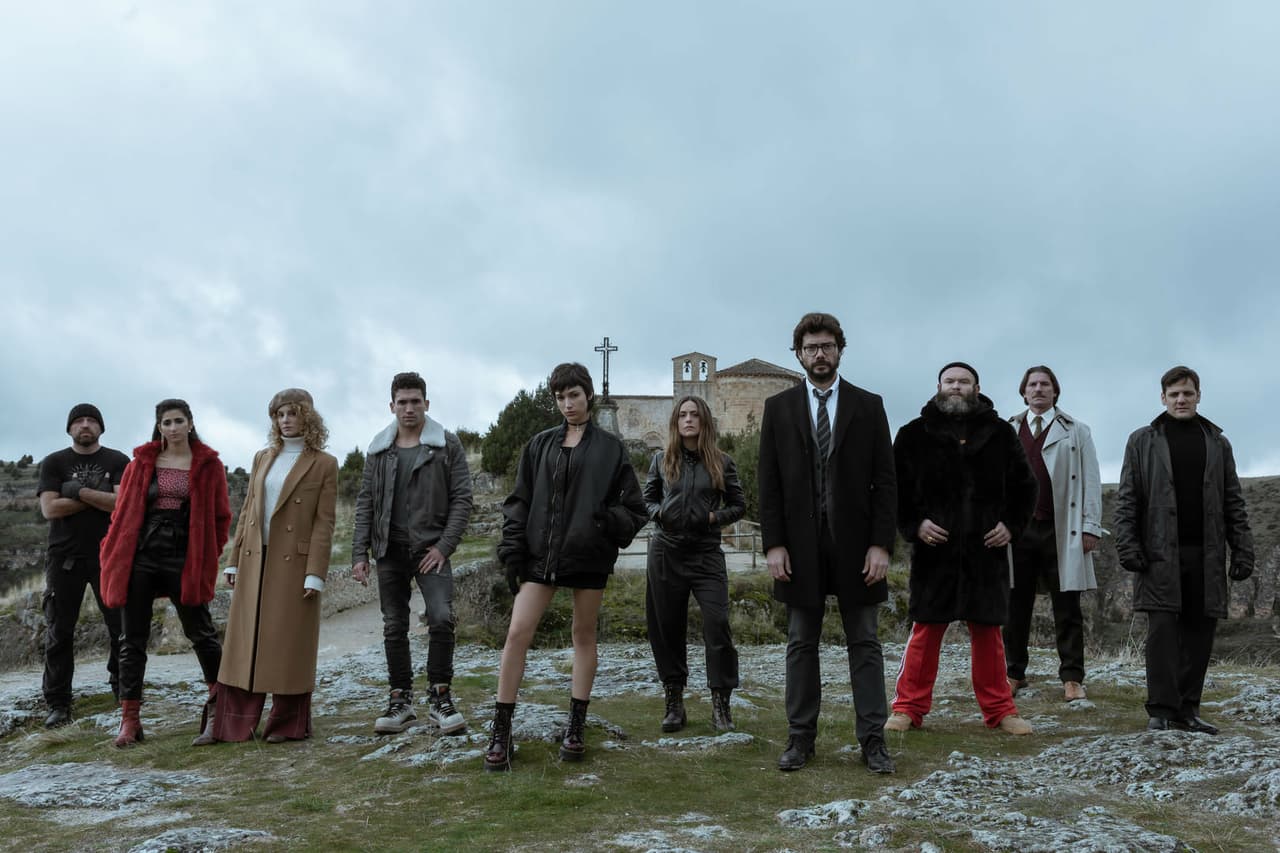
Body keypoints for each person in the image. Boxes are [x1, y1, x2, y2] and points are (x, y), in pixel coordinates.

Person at [485, 362, 647, 771]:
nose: (567, 403)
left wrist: (604, 523)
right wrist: (512, 551)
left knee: (583, 634)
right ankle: (501, 732)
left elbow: (634, 508)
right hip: (540, 557)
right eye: (560, 397)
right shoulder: (538, 445)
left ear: (588, 394)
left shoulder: (611, 449)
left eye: (574, 395)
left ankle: (575, 727)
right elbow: (519, 502)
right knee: (517, 633)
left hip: (588, 556)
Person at [758, 312, 898, 774]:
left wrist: (881, 545)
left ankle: (873, 741)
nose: (819, 354)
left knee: (866, 642)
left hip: (858, 546)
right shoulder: (778, 408)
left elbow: (886, 481)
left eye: (827, 346)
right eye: (811, 347)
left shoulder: (869, 405)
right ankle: (800, 738)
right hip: (799, 547)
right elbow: (769, 484)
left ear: (840, 350)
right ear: (798, 354)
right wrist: (774, 545)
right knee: (801, 642)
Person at [888, 362, 1037, 736]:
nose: (956, 386)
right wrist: (916, 524)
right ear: (939, 386)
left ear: (976, 388)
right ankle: (907, 708)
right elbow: (894, 490)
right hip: (933, 553)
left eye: (964, 382)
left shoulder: (1001, 434)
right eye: (950, 381)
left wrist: (1010, 525)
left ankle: (1001, 710)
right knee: (925, 633)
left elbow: (1026, 487)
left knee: (988, 636)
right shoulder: (913, 434)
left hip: (985, 552)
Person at [1113, 366, 1254, 734]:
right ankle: (1160, 710)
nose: (1181, 400)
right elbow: (1127, 499)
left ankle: (1187, 710)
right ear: (1163, 398)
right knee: (1161, 634)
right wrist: (1128, 545)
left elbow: (1233, 500)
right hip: (1158, 555)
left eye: (1187, 393)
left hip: (1206, 555)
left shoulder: (1218, 443)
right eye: (1174, 394)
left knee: (1199, 633)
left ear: (1198, 396)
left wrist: (1243, 549)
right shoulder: (1142, 440)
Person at [201, 389, 338, 744]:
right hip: (254, 560)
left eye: (292, 413)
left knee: (287, 643)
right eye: (279, 415)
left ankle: (286, 725)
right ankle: (232, 725)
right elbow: (249, 510)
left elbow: (324, 522)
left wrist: (315, 572)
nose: (285, 420)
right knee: (244, 644)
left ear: (308, 416)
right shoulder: (263, 457)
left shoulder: (324, 463)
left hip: (294, 565)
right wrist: (233, 560)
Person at [99, 399, 230, 748]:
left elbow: (221, 517)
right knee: (132, 639)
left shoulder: (209, 465)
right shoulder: (141, 463)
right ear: (159, 427)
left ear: (190, 423)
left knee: (201, 632)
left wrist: (209, 554)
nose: (173, 428)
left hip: (185, 557)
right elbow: (123, 512)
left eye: (178, 421)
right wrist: (114, 549)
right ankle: (130, 720)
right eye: (166, 422)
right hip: (142, 556)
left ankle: (219, 711)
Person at [352, 372, 474, 736]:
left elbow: (462, 499)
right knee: (394, 625)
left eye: (415, 401)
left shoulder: (446, 445)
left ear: (426, 404)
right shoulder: (378, 449)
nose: (409, 408)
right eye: (402, 402)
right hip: (388, 551)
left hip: (431, 550)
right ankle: (400, 701)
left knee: (441, 617)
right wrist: (360, 553)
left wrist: (444, 547)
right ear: (392, 406)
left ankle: (440, 698)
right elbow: (365, 502)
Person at [643, 395, 746, 733]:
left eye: (695, 414)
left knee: (718, 624)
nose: (688, 419)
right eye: (683, 415)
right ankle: (674, 702)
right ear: (676, 422)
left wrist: (713, 517)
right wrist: (660, 513)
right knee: (667, 628)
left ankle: (721, 704)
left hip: (706, 553)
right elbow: (646, 499)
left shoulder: (722, 462)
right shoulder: (661, 460)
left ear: (704, 421)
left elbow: (738, 504)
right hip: (666, 552)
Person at [1003, 366, 1102, 702]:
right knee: (1015, 606)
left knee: (1067, 605)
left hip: (1062, 529)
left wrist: (1090, 526)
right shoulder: (1007, 430)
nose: (1039, 389)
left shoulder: (1077, 431)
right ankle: (1013, 673)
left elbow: (1091, 480)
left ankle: (1072, 678)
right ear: (1024, 392)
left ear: (1055, 391)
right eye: (1032, 384)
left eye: (1045, 384)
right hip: (1017, 530)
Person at [35, 404, 130, 727]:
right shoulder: (54, 462)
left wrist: (76, 492)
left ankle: (124, 690)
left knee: (120, 627)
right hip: (63, 559)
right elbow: (50, 509)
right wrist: (96, 495)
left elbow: (121, 504)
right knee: (59, 632)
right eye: (79, 421)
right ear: (70, 428)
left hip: (109, 555)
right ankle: (58, 703)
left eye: (91, 420)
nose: (85, 425)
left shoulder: (117, 460)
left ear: (101, 428)